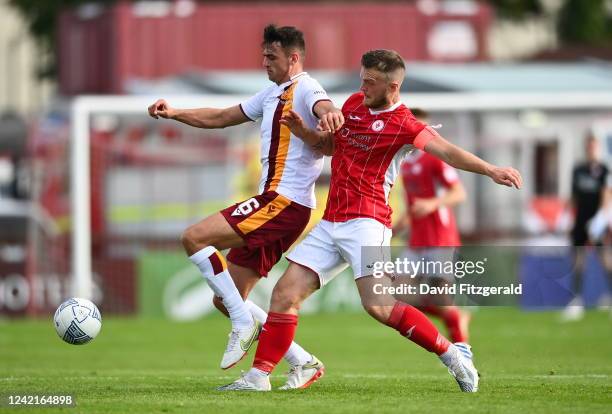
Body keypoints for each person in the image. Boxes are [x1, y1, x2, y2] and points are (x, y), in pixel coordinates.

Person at [219, 49, 522, 392]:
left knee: (379, 305)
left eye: (370, 82)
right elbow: (331, 147)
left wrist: (491, 169)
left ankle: (453, 355)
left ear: (393, 87)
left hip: (368, 223)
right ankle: (259, 378)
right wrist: (304, 132)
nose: (362, 86)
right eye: (361, 78)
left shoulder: (404, 124)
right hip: (331, 220)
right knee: (285, 294)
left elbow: (447, 151)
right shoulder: (351, 105)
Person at [147, 24, 344, 388]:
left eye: (272, 56)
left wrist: (329, 112)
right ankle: (303, 362)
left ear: (294, 58)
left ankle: (243, 323)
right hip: (280, 207)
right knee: (227, 299)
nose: (264, 61)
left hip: (283, 203)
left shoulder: (306, 87)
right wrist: (175, 113)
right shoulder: (271, 94)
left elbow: (324, 104)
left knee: (194, 238)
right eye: (264, 55)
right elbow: (222, 117)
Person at [394, 108, 470, 345]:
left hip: (440, 238)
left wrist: (432, 204)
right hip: (416, 239)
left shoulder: (435, 158)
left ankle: (462, 350)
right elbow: (413, 204)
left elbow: (459, 193)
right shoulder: (405, 163)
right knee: (398, 294)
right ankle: (458, 316)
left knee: (441, 297)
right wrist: (396, 228)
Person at [562, 135, 611, 321]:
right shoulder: (578, 170)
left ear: (597, 148)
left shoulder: (604, 170)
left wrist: (599, 221)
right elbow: (573, 196)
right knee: (578, 262)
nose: (591, 150)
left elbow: (606, 196)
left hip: (596, 222)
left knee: (605, 260)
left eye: (594, 147)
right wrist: (568, 220)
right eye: (588, 147)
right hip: (580, 221)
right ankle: (577, 301)